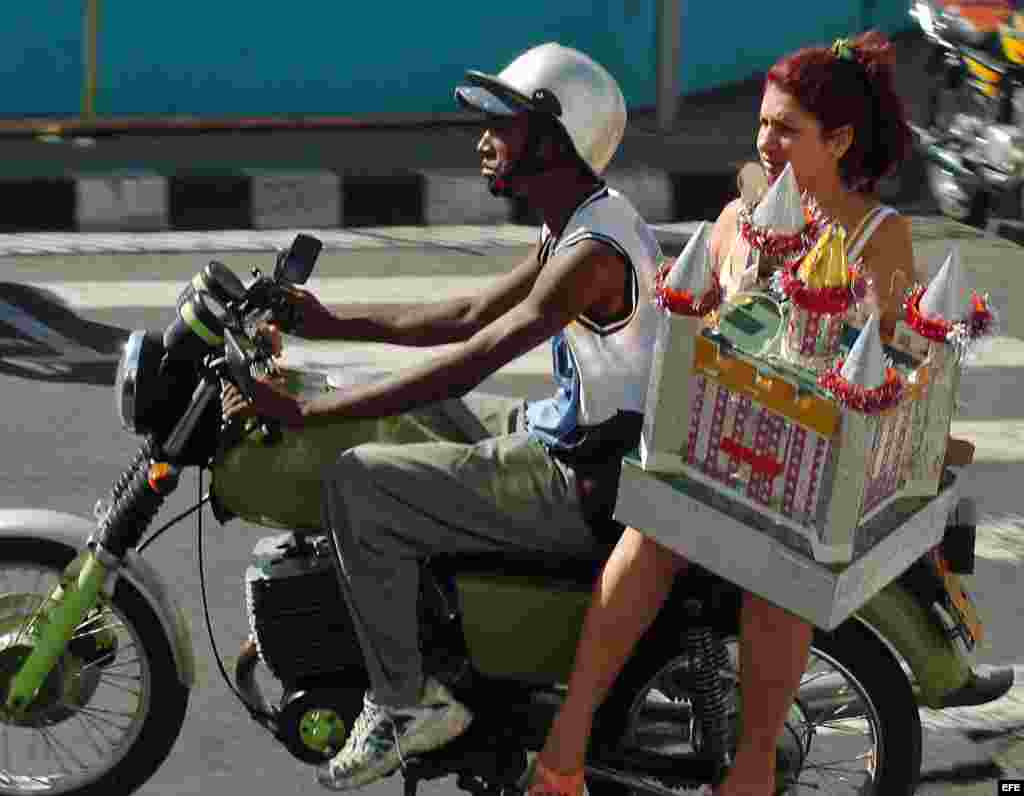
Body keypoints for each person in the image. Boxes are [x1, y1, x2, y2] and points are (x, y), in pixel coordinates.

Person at [220, 43, 665, 791]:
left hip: (585, 479)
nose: (484, 140)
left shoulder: (590, 254)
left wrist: (303, 409)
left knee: (358, 483)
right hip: (570, 433)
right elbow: (467, 314)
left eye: (504, 126)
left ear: (556, 141)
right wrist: (326, 324)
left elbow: (476, 355)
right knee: (414, 413)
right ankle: (429, 630)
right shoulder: (585, 220)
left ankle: (404, 702)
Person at [527, 31, 919, 796]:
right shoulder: (741, 217)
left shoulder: (880, 238)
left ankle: (753, 767)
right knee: (652, 532)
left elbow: (886, 356)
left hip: (806, 467)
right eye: (763, 123)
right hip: (716, 444)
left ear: (840, 141)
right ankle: (566, 742)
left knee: (777, 565)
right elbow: (693, 321)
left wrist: (846, 314)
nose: (766, 141)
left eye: (788, 129)